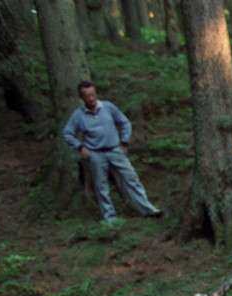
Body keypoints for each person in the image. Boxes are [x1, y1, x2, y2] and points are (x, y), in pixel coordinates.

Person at [61, 81, 162, 223]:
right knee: (101, 186)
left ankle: (147, 209)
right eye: (87, 96)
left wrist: (124, 142)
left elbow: (125, 122)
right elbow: (67, 133)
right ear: (81, 97)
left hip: (115, 149)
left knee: (131, 178)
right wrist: (80, 147)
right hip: (95, 153)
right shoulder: (79, 115)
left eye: (93, 95)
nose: (91, 98)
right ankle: (110, 219)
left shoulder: (107, 107)